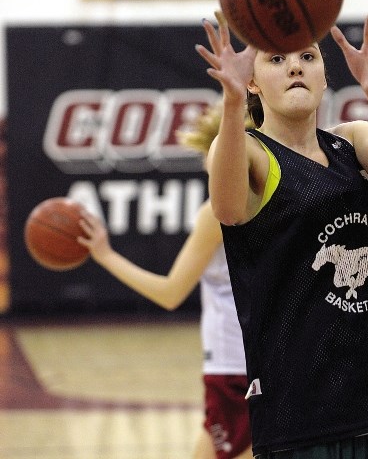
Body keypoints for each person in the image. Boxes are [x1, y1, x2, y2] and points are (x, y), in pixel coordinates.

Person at [195, 10, 368, 458]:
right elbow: (226, 207)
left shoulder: (350, 142)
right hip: (300, 415)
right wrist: (229, 102)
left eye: (307, 56)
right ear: (254, 83)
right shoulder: (248, 151)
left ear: (324, 78)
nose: (296, 66)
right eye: (277, 60)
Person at [77, 103, 253, 459]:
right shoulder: (277, 197)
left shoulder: (216, 213)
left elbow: (171, 293)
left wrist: (106, 255)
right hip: (276, 359)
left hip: (233, 366)